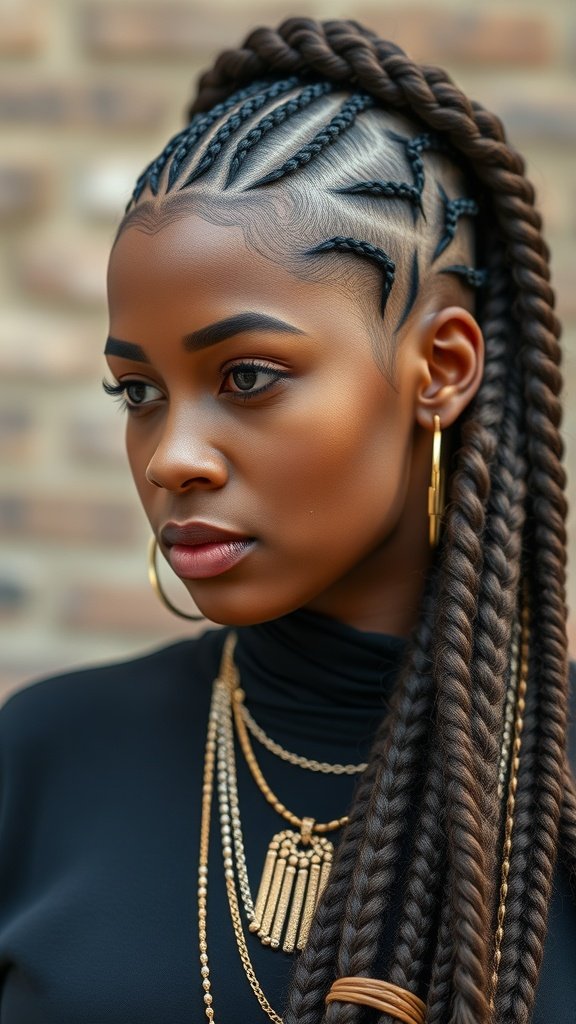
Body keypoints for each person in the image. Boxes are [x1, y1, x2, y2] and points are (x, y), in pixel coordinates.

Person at [0, 16, 574, 1024]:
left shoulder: (554, 787)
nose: (173, 456)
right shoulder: (44, 756)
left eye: (248, 376)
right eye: (137, 391)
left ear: (439, 369)